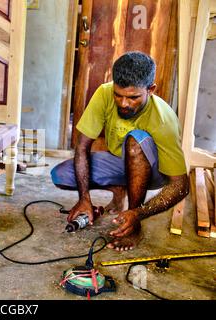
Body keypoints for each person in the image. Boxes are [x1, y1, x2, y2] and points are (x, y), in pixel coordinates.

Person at [51, 51, 189, 251]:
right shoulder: (104, 93)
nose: (123, 103)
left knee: (135, 140)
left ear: (151, 89)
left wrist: (138, 214)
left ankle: (133, 223)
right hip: (120, 162)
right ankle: (120, 192)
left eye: (133, 97)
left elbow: (181, 186)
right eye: (118, 95)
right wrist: (84, 198)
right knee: (61, 175)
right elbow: (82, 147)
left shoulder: (164, 120)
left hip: (154, 172)